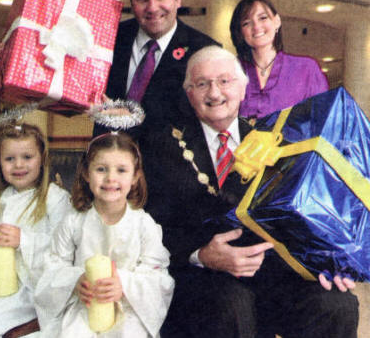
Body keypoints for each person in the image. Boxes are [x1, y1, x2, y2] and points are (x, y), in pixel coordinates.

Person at [140, 45, 358, 338]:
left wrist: (329, 264)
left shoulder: (276, 139)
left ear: (243, 89)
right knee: (231, 305)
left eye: (225, 81)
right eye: (202, 84)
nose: (214, 93)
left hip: (274, 276)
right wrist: (201, 255)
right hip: (203, 279)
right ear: (189, 94)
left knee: (337, 304)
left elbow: (308, 214)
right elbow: (152, 226)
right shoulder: (160, 147)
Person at [34, 132, 174, 338]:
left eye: (121, 170)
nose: (111, 178)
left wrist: (124, 285)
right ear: (86, 173)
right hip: (85, 304)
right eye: (101, 169)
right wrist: (75, 281)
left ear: (135, 177)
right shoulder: (73, 221)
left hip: (129, 308)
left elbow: (158, 277)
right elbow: (53, 265)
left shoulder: (144, 225)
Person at [92, 0, 219, 138]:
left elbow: (205, 123)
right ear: (132, 3)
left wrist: (132, 117)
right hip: (107, 159)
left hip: (170, 163)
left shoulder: (205, 51)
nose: (152, 7)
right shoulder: (108, 38)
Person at [0, 123, 70, 337]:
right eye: (9, 159)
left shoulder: (55, 198)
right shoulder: (4, 199)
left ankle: (33, 322)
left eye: (27, 157)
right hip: (1, 278)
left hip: (31, 284)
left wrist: (23, 240)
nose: (18, 165)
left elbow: (64, 247)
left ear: (42, 159)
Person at [229, 0, 329, 121]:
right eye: (246, 23)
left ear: (277, 21)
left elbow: (323, 121)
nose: (256, 27)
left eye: (263, 18)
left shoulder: (306, 69)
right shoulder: (230, 71)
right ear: (240, 32)